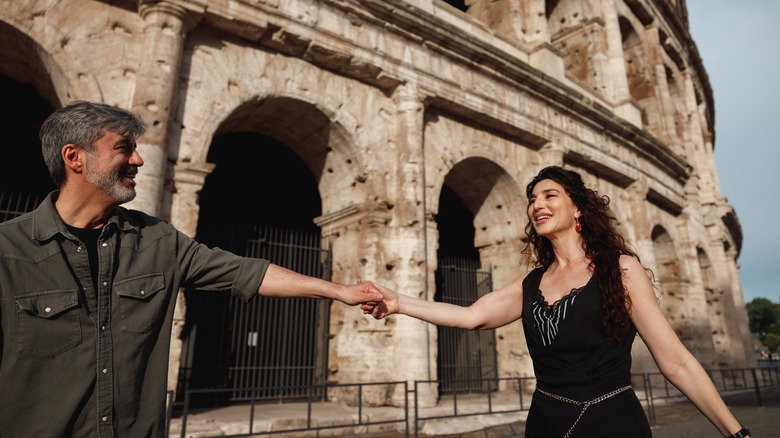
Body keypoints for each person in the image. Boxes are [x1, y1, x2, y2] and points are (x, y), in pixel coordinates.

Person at [0, 101, 383, 437]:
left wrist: (339, 291)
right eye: (123, 148)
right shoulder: (7, 250)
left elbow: (245, 272)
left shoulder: (157, 240)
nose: (138, 160)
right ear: (74, 157)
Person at [362, 166, 750, 438]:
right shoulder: (531, 282)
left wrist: (736, 432)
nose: (537, 204)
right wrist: (399, 303)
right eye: (532, 199)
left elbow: (676, 362)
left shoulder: (620, 270)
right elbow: (472, 316)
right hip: (546, 422)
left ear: (578, 207)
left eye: (550, 195)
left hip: (611, 422)